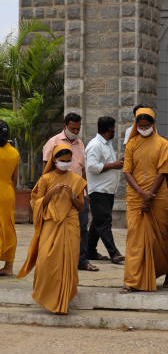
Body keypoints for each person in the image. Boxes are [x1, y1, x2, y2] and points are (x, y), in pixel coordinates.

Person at [17, 144, 87, 314]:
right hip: (50, 224)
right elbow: (36, 203)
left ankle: (63, 303)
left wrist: (71, 195)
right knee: (46, 261)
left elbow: (81, 207)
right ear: (54, 161)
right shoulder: (46, 179)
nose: (65, 163)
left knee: (68, 263)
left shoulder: (77, 180)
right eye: (62, 161)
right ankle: (47, 297)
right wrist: (51, 193)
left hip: (69, 225)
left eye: (68, 161)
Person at [120, 108, 168, 293]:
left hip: (158, 197)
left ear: (153, 124)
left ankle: (167, 272)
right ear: (136, 125)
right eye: (141, 126)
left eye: (147, 125)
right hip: (136, 197)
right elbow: (127, 171)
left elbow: (163, 172)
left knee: (161, 236)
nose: (144, 128)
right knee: (135, 239)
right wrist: (142, 194)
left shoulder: (163, 144)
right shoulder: (131, 144)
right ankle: (132, 281)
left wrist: (150, 194)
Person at [43, 112, 98, 272]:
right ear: (65, 126)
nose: (75, 132)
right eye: (72, 128)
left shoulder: (80, 144)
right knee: (57, 228)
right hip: (58, 194)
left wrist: (87, 192)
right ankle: (61, 259)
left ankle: (82, 260)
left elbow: (83, 170)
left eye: (78, 129)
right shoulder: (53, 142)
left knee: (82, 228)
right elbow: (46, 168)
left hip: (78, 193)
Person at [85, 116, 125, 263]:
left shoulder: (106, 144)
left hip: (108, 190)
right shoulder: (95, 145)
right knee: (104, 223)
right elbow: (91, 167)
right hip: (99, 190)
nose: (114, 131)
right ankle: (114, 253)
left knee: (98, 222)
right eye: (113, 128)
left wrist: (116, 163)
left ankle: (89, 250)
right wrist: (113, 165)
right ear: (109, 129)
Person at [0, 121, 19, 277]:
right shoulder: (14, 152)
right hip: (7, 193)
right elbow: (15, 179)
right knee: (8, 227)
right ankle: (9, 267)